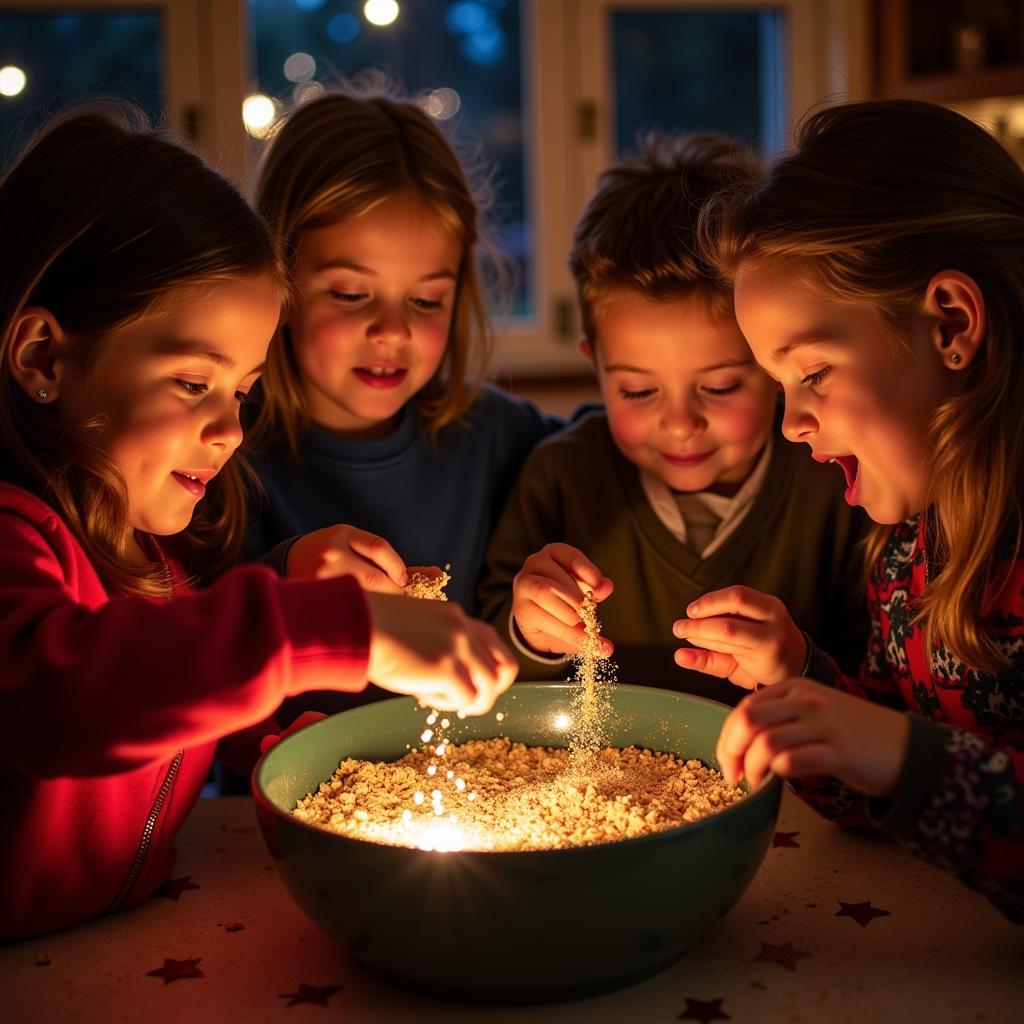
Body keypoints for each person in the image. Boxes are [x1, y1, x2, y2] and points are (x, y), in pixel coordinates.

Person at [0, 106, 516, 942]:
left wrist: (310, 755)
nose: (230, 430)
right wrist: (339, 627)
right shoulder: (15, 535)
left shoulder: (142, 552)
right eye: (191, 381)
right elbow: (67, 699)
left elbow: (183, 692)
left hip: (111, 939)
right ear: (43, 359)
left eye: (240, 390)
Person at [678, 100, 1023, 921]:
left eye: (814, 373)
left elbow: (915, 768)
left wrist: (903, 758)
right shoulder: (910, 547)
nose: (791, 423)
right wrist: (802, 683)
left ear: (950, 324)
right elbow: (889, 800)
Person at [478, 134, 869, 701]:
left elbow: (873, 681)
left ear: (771, 363)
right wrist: (532, 632)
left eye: (719, 386)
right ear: (599, 368)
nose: (681, 424)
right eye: (638, 391)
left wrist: (802, 663)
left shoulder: (834, 481)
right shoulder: (559, 479)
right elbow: (490, 650)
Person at [241, 87, 560, 719]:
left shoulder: (501, 438)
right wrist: (288, 581)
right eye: (352, 295)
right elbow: (190, 638)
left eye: (425, 300)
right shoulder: (220, 452)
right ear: (279, 283)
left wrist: (541, 618)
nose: (393, 332)